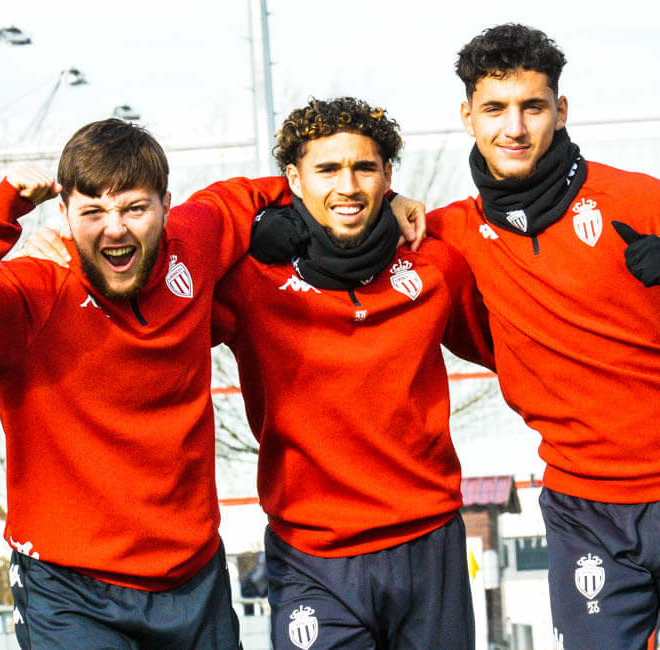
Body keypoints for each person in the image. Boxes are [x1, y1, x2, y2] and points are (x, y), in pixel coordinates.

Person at [424, 24, 660, 650]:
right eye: (495, 109)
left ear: (561, 111)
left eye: (532, 107)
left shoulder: (633, 198)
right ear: (468, 117)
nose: (514, 128)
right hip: (584, 504)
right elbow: (340, 222)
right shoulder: (446, 233)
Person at [0, 118, 298, 649]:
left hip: (192, 576)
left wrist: (391, 203)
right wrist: (0, 212)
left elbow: (278, 189)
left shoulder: (195, 241)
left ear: (166, 206)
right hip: (71, 589)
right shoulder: (34, 289)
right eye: (92, 212)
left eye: (134, 208)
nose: (115, 229)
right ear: (63, 214)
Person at [212, 97, 494, 649]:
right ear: (293, 178)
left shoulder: (434, 265)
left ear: (388, 175)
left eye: (364, 168)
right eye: (327, 169)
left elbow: (515, 348)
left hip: (427, 543)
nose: (348, 185)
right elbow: (153, 327)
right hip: (312, 556)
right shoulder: (250, 281)